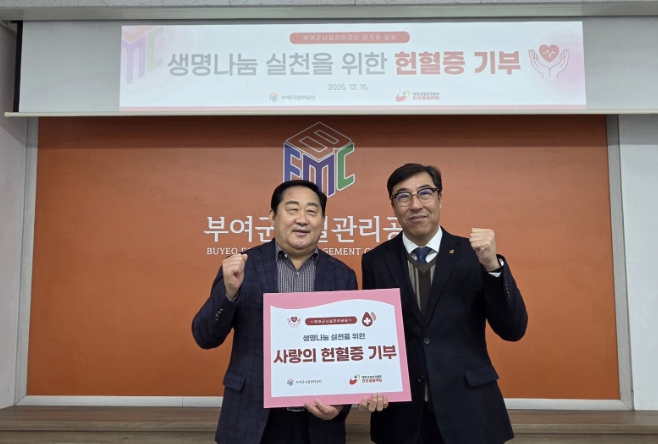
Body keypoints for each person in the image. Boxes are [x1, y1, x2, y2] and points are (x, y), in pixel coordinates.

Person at [361, 164, 528, 444]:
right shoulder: (376, 260)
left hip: (470, 411)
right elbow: (373, 334)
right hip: (402, 417)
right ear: (393, 205)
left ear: (440, 198)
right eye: (403, 196)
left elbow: (513, 329)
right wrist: (371, 382)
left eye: (425, 193)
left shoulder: (474, 255)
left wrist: (492, 266)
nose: (415, 204)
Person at [192, 180, 358, 444]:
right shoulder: (242, 266)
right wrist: (229, 292)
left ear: (323, 221)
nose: (302, 219)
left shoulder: (342, 275)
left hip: (317, 422)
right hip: (251, 416)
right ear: (272, 216)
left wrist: (341, 405)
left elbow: (350, 350)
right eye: (292, 209)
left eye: (312, 211)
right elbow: (205, 337)